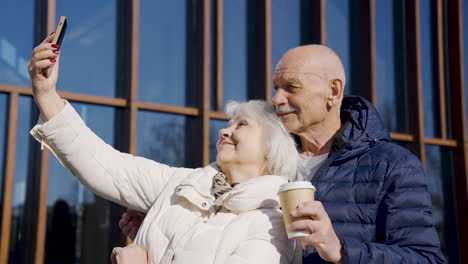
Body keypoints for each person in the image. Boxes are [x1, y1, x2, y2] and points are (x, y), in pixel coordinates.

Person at [121, 44, 445, 263]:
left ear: (333, 91)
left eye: (291, 87)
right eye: (276, 87)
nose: (276, 100)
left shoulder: (392, 165)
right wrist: (165, 224)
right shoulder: (266, 155)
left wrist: (339, 249)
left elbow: (426, 258)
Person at [28, 33, 303, 264]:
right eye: (228, 123)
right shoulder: (181, 183)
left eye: (241, 124)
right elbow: (103, 165)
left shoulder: (273, 223)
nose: (224, 130)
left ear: (271, 148)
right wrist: (46, 94)